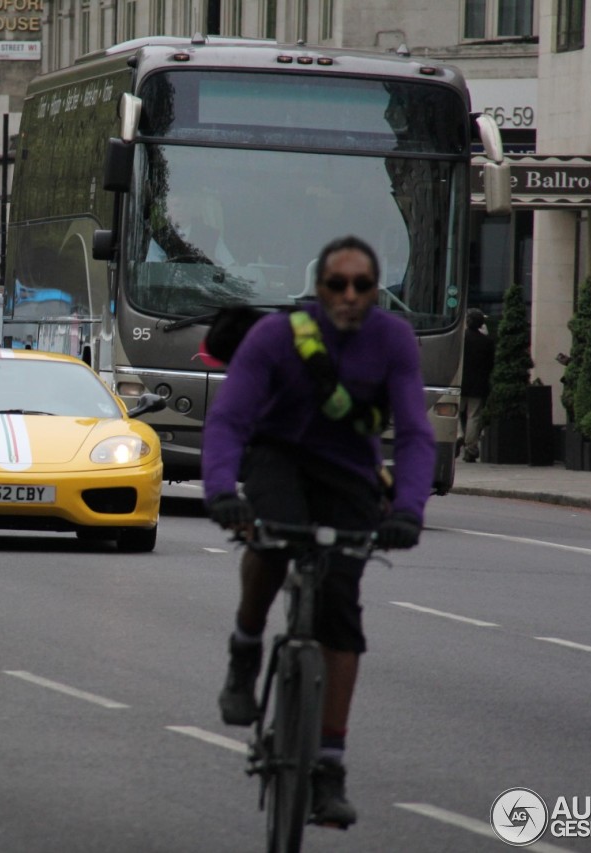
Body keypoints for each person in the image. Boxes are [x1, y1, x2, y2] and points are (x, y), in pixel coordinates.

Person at [202, 235, 433, 829]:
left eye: (362, 286)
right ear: (319, 289)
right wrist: (222, 492)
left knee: (340, 611)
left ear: (376, 293)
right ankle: (246, 648)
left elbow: (412, 432)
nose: (350, 295)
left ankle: (328, 766)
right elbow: (229, 417)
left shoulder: (393, 341)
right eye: (338, 284)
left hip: (349, 474)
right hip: (278, 455)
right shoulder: (276, 336)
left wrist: (408, 509)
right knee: (272, 542)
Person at [147, 193, 235, 266]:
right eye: (177, 206)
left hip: (204, 285)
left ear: (192, 210)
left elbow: (230, 265)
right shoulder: (159, 238)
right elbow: (152, 270)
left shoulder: (210, 235)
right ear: (168, 210)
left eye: (186, 206)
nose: (182, 209)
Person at [460, 307, 496, 462]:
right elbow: (490, 364)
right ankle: (471, 447)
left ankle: (457, 436)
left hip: (460, 382)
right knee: (473, 416)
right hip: (478, 384)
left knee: (453, 413)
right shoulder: (487, 341)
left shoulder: (460, 339)